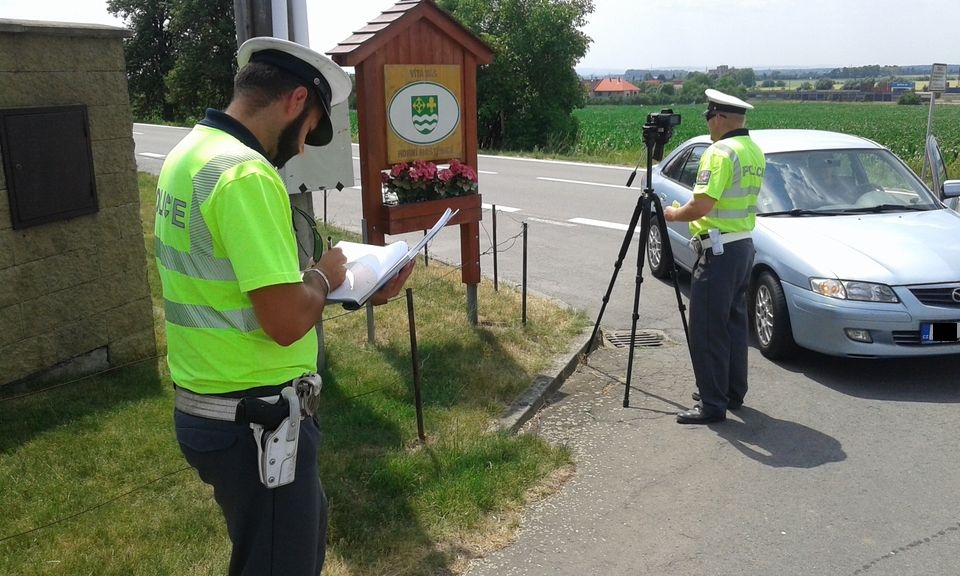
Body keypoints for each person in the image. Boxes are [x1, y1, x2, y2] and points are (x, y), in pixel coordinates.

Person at [154, 37, 414, 575]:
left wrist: (350, 291)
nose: (300, 150)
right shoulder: (246, 174)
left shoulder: (189, 155)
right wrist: (326, 274)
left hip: (211, 410)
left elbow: (242, 287)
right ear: (297, 101)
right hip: (256, 425)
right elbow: (286, 320)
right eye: (308, 132)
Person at [663, 88, 765, 424]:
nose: (707, 123)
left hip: (718, 251)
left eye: (708, 116)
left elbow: (702, 205)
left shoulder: (720, 152)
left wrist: (673, 214)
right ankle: (731, 392)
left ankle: (711, 403)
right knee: (734, 326)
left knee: (707, 329)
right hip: (742, 245)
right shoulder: (753, 150)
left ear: (719, 118)